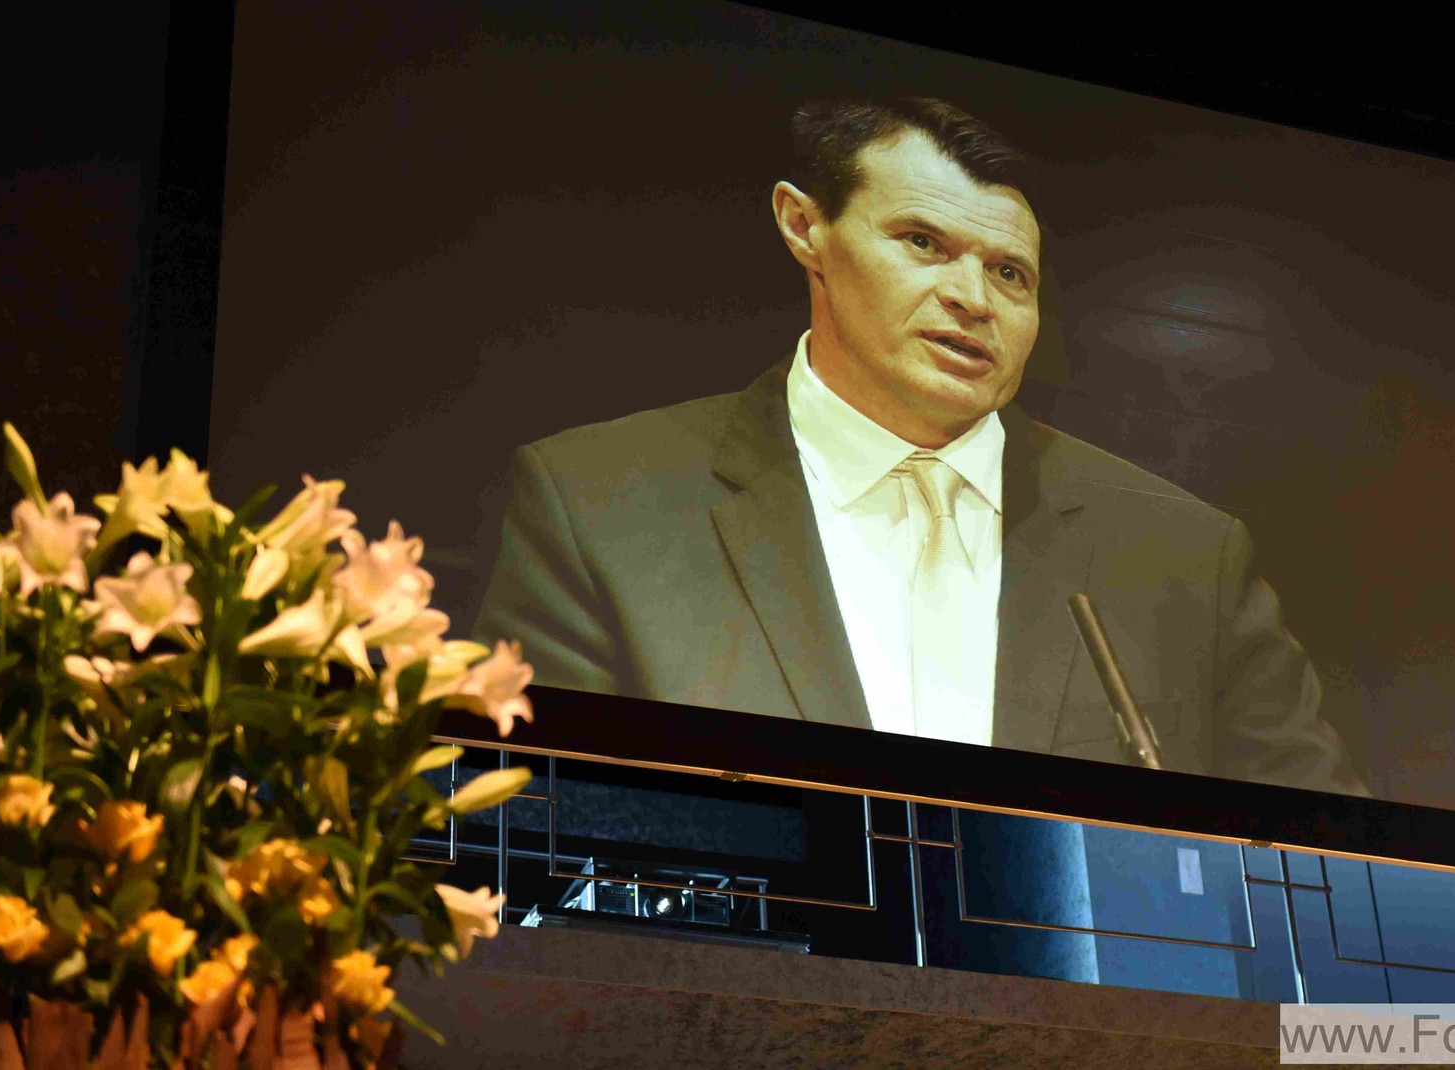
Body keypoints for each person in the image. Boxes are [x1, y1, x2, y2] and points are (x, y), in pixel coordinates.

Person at [473, 96, 1366, 794]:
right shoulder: (600, 504)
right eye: (923, 243)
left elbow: (1331, 870)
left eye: (1008, 272)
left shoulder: (1184, 556)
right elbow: (528, 824)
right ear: (804, 227)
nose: (973, 298)